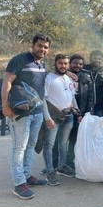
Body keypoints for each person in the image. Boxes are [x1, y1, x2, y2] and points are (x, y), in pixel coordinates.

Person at [1, 33, 51, 200]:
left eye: (45, 47)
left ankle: (28, 176)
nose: (42, 49)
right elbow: (7, 82)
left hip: (36, 113)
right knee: (19, 147)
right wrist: (5, 105)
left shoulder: (42, 64)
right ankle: (19, 183)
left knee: (30, 146)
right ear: (32, 46)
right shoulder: (20, 60)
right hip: (20, 114)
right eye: (39, 45)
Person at [41, 54, 79, 186]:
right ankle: (50, 172)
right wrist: (47, 118)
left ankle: (62, 167)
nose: (63, 66)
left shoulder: (69, 78)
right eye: (60, 63)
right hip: (53, 117)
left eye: (65, 63)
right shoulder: (48, 78)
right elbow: (43, 99)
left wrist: (77, 112)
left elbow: (72, 96)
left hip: (68, 116)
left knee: (63, 144)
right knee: (49, 145)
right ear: (55, 64)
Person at [82, 50, 103, 117]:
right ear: (90, 59)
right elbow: (71, 70)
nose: (97, 60)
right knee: (84, 125)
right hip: (84, 104)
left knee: (97, 125)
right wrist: (68, 72)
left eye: (99, 59)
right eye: (95, 58)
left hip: (99, 105)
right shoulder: (83, 69)